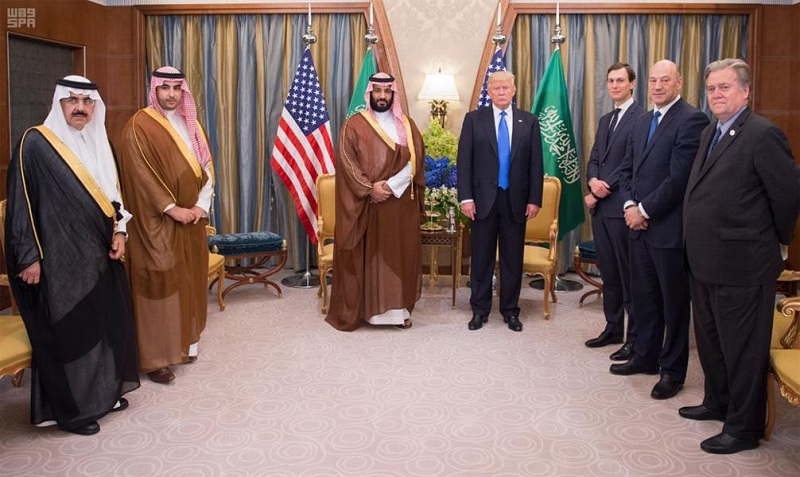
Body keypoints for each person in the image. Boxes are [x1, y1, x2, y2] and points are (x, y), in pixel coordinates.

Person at [4, 75, 140, 436]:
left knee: (105, 326)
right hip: (58, 258)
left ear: (95, 106)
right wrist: (28, 256)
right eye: (72, 100)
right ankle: (71, 412)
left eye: (87, 101)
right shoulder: (36, 143)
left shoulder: (101, 142)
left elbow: (114, 198)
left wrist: (121, 231)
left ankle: (104, 396)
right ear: (59, 103)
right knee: (68, 331)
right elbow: (21, 203)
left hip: (101, 252)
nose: (80, 107)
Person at [681, 58, 800, 454]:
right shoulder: (709, 132)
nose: (716, 94)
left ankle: (743, 429)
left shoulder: (763, 134)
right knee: (712, 342)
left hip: (744, 263)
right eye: (711, 88)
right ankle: (717, 402)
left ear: (745, 91)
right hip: (705, 260)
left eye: (725, 87)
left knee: (743, 350)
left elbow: (787, 196)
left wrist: (775, 242)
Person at [612, 60, 709, 400]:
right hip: (637, 227)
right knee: (644, 298)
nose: (657, 86)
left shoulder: (692, 119)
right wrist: (629, 205)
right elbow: (626, 169)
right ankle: (646, 357)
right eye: (653, 80)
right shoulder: (642, 121)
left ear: (678, 82)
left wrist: (644, 210)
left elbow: (679, 178)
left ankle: (672, 371)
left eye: (664, 80)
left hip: (668, 230)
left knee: (673, 306)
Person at [118, 66, 213, 383]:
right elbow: (139, 175)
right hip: (155, 223)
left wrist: (200, 205)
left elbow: (206, 169)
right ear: (154, 89)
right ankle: (155, 358)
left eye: (176, 88)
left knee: (188, 281)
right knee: (159, 285)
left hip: (192, 221)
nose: (171, 94)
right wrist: (172, 209)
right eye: (165, 88)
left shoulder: (192, 124)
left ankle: (185, 344)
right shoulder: (139, 126)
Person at [324, 72, 425, 331]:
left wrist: (389, 186)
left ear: (393, 94)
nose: (382, 96)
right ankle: (368, 312)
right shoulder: (354, 125)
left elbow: (415, 161)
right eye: (377, 91)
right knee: (370, 257)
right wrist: (370, 189)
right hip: (367, 205)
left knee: (398, 256)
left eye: (387, 91)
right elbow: (347, 162)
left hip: (399, 204)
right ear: (370, 93)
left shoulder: (407, 125)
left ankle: (397, 312)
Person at [457, 70, 543, 332]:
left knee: (512, 259)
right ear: (489, 91)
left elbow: (536, 164)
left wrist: (534, 199)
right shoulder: (474, 119)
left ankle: (510, 310)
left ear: (513, 90)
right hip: (482, 201)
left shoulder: (529, 121)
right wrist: (466, 198)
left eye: (506, 87)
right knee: (481, 258)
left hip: (515, 201)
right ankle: (479, 310)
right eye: (497, 88)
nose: (502, 92)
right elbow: (464, 161)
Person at [584, 63, 645, 360]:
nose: (615, 86)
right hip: (601, 210)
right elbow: (595, 157)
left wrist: (603, 187)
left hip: (622, 207)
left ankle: (634, 338)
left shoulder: (642, 118)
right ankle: (612, 327)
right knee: (609, 273)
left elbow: (631, 163)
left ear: (632, 83)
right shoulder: (606, 119)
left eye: (620, 80)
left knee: (628, 274)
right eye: (610, 81)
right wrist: (592, 180)